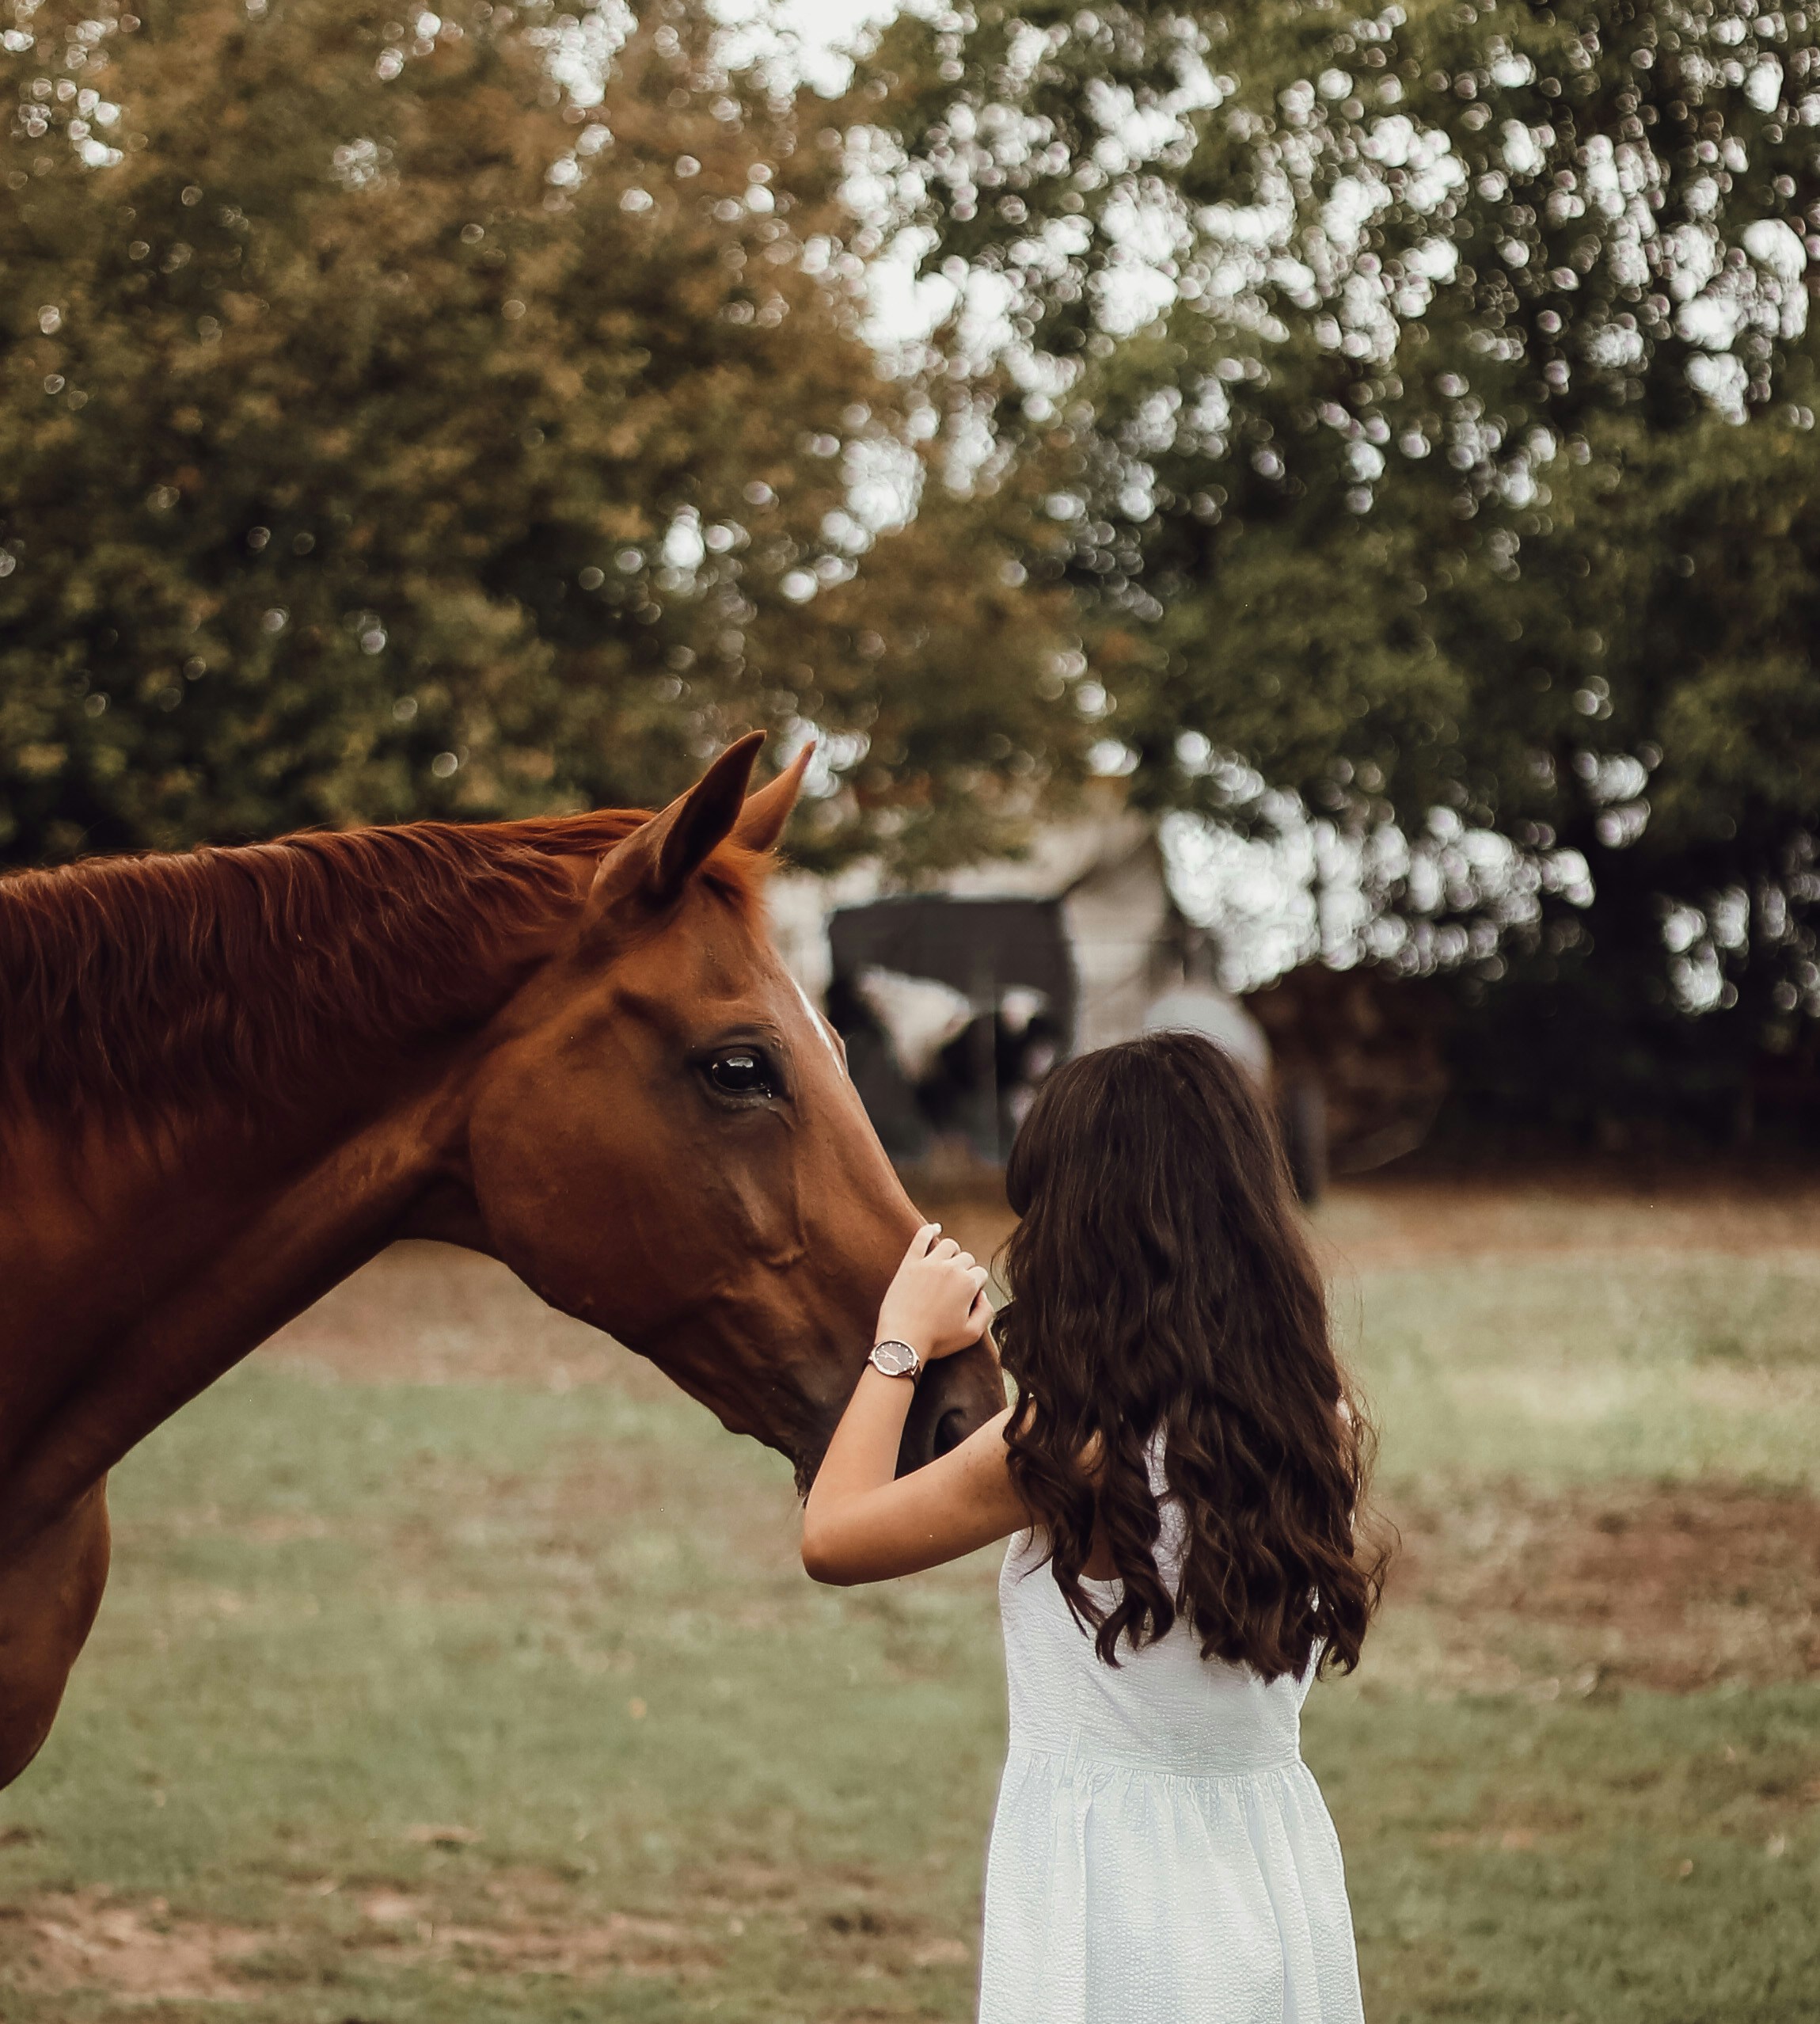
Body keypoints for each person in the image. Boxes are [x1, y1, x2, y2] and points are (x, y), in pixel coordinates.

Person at [802, 1030, 1384, 2024]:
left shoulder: (1069, 1441)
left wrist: (899, 1341)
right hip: (1267, 1867)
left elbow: (836, 1535)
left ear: (1091, 1227)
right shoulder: (1304, 1415)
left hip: (1116, 1892)